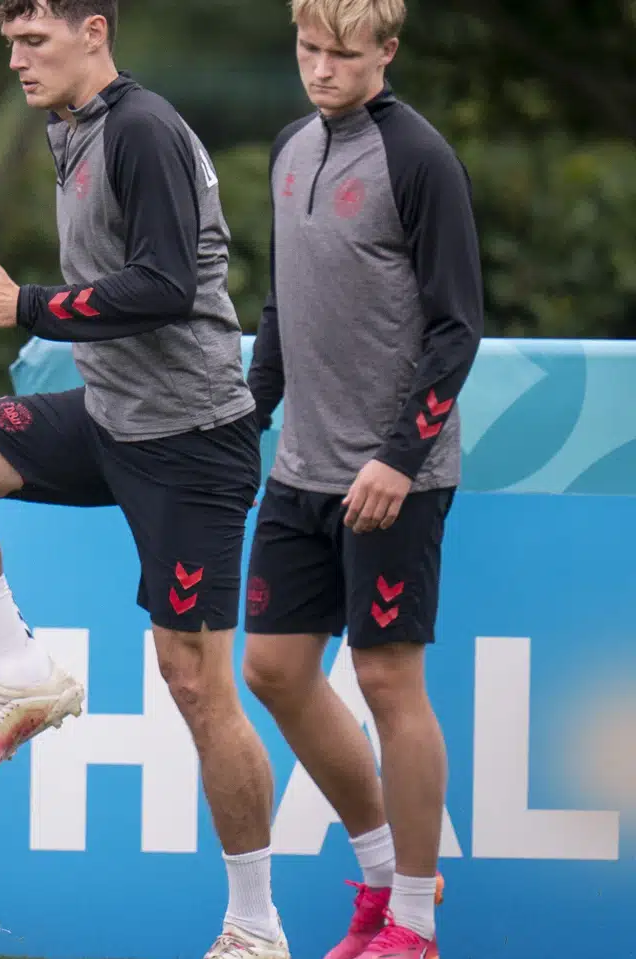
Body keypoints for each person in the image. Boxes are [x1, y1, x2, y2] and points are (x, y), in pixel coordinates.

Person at [0, 3, 289, 957]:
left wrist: (27, 304)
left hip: (190, 440)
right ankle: (25, 676)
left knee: (197, 684)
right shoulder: (74, 127)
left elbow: (165, 285)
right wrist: (37, 308)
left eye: (35, 41)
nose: (17, 60)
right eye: (9, 43)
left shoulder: (141, 129)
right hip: (109, 416)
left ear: (94, 30)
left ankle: (256, 926)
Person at [241, 0, 481, 956]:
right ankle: (383, 877)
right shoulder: (291, 146)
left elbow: (457, 327)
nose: (321, 69)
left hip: (394, 476)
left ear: (387, 50)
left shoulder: (419, 158)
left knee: (387, 680)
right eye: (308, 49)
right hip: (300, 469)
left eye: (342, 53)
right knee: (272, 669)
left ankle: (415, 923)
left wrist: (398, 458)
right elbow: (281, 302)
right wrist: (249, 413)